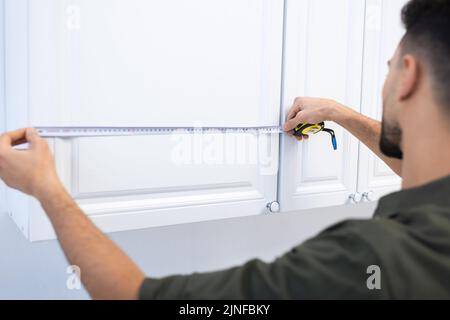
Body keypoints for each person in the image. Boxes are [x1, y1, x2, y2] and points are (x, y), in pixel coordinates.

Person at [0, 0, 449, 299]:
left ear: (407, 75)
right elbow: (419, 162)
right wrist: (340, 114)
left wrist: (46, 188)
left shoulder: (368, 259)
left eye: (389, 69)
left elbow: (134, 293)